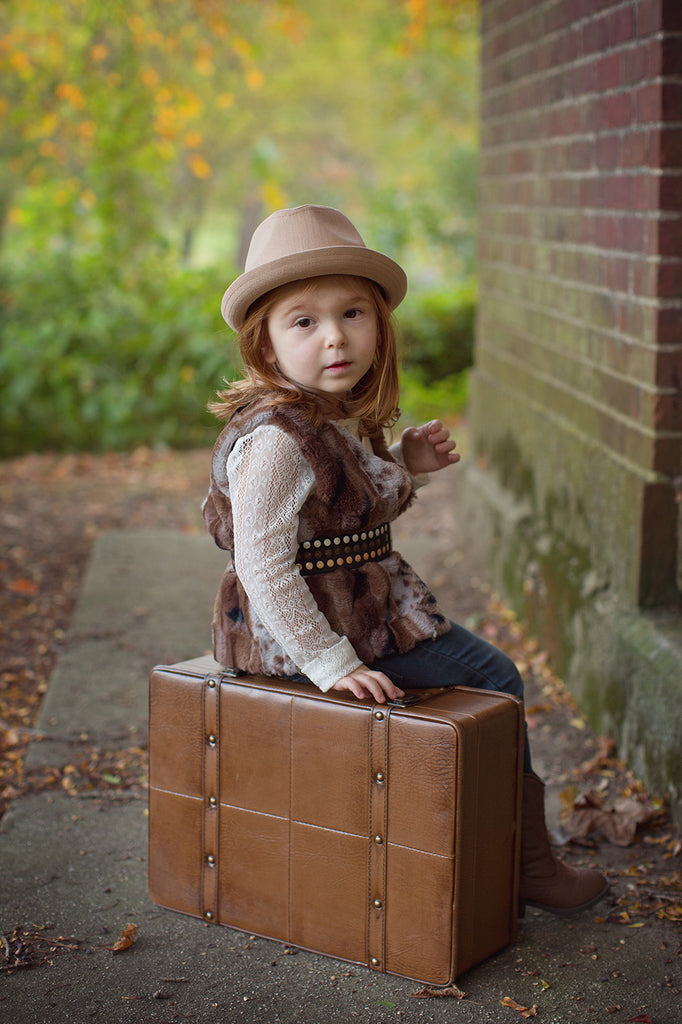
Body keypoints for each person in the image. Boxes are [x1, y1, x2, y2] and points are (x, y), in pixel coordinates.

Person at [203, 204, 608, 916]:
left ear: (380, 325)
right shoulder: (276, 441)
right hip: (313, 633)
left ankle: (489, 840)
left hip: (359, 613)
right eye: (304, 321)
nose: (335, 336)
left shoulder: (331, 415)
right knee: (495, 677)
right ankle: (528, 862)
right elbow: (263, 565)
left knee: (479, 683)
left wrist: (405, 464)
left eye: (353, 313)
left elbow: (338, 508)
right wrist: (332, 664)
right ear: (265, 344)